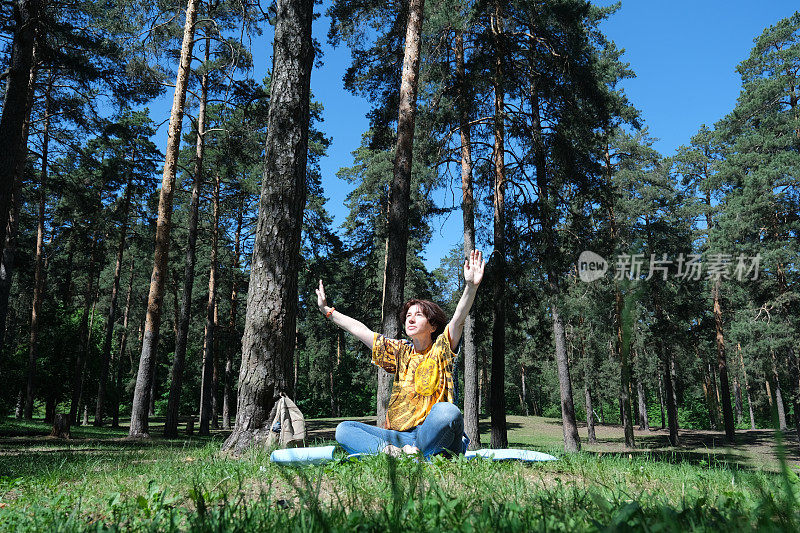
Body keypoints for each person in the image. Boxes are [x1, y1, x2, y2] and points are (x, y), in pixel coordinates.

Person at [316, 250, 485, 458]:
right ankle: (397, 453)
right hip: (398, 437)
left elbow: (458, 319)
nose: (410, 319)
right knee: (344, 430)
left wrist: (470, 287)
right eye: (408, 316)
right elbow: (360, 331)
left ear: (433, 326)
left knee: (448, 413)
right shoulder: (400, 352)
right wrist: (328, 311)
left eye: (418, 315)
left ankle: (418, 451)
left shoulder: (442, 348)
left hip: (432, 433)